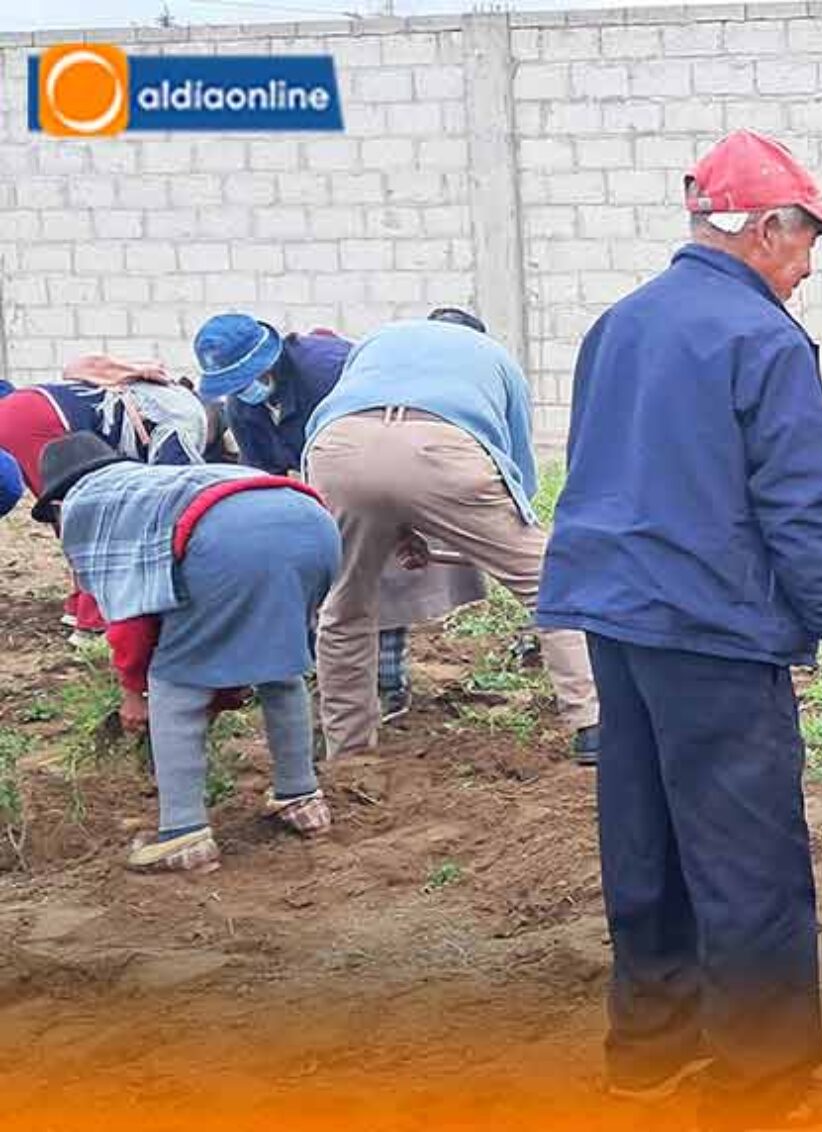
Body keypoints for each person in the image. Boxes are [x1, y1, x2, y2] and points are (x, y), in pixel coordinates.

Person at [538, 129, 822, 1132]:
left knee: (643, 831)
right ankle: (764, 1089)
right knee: (748, 857)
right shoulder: (763, 338)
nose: (814, 260)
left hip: (618, 616)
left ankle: (648, 1057)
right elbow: (798, 506)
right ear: (765, 228)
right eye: (810, 236)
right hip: (712, 622)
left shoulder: (619, 323)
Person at [32, 432, 339, 873]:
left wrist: (135, 693)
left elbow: (131, 623)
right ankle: (300, 798)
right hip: (313, 523)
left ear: (58, 508)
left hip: (230, 539)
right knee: (281, 665)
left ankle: (182, 832)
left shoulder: (91, 509)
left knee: (175, 685)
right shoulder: (152, 484)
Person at [302, 310, 599, 761]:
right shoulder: (495, 357)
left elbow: (372, 450)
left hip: (338, 449)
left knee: (345, 606)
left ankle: (349, 750)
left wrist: (399, 526)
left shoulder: (381, 336)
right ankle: (592, 724)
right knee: (550, 582)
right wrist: (508, 531)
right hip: (442, 448)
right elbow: (513, 461)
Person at [193, 312, 487, 724]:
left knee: (381, 574)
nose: (244, 391)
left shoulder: (330, 371)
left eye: (247, 379)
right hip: (320, 482)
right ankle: (325, 678)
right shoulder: (244, 407)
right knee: (314, 579)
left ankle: (387, 687)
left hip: (382, 461)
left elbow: (378, 441)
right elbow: (262, 475)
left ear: (270, 360)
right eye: (234, 386)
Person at [0, 357, 215, 641]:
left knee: (66, 513)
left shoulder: (170, 399)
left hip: (23, 408)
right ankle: (93, 621)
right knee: (84, 515)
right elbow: (170, 496)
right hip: (41, 420)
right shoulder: (188, 422)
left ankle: (79, 607)